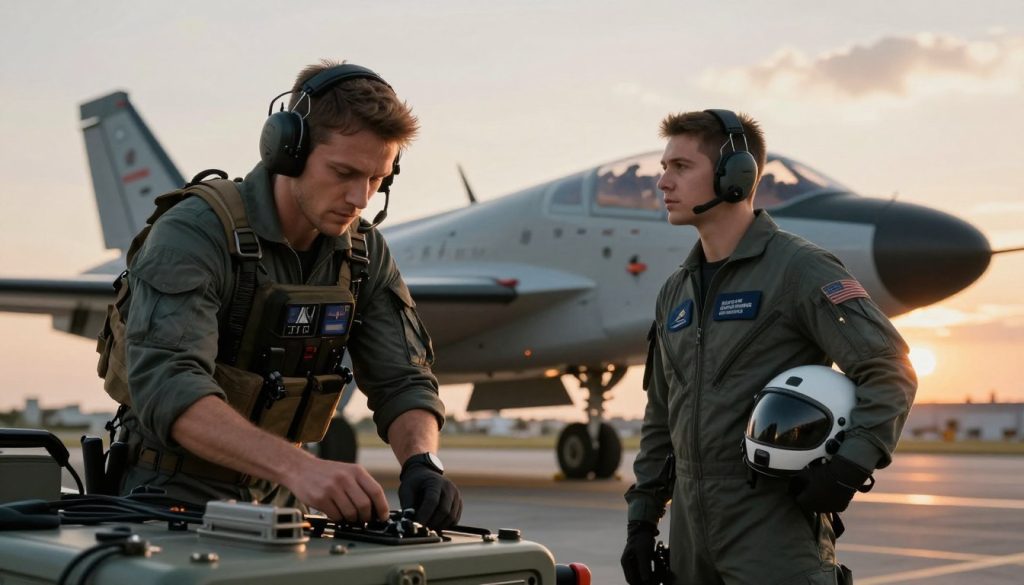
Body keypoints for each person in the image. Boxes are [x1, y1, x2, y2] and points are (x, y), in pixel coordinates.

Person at [112, 60, 462, 530]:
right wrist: (301, 468)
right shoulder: (195, 232)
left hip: (282, 501)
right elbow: (169, 385)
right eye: (343, 172)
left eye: (377, 179)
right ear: (287, 152)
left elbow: (403, 379)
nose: (361, 198)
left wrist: (422, 462)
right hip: (168, 496)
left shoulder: (364, 251)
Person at [621, 110, 917, 584]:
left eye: (680, 167)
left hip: (771, 527)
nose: (662, 183)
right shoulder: (675, 292)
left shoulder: (800, 270)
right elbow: (662, 413)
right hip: (689, 536)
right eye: (663, 168)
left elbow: (888, 367)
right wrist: (642, 519)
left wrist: (848, 468)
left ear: (735, 176)